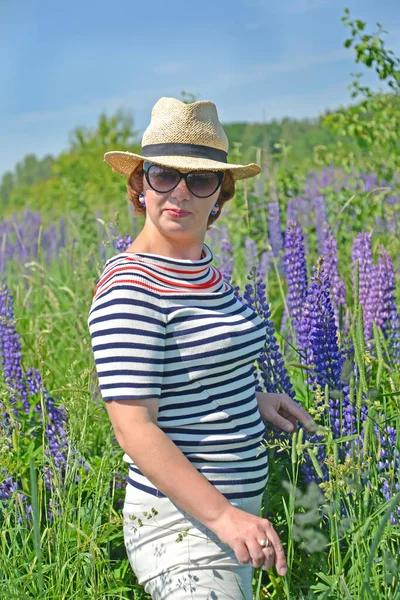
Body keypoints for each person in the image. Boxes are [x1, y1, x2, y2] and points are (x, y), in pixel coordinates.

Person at [87, 96, 316, 600]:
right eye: (163, 174)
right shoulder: (132, 286)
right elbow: (134, 428)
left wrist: (252, 399)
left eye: (200, 179)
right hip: (181, 529)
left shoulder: (203, 272)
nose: (180, 192)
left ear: (220, 195)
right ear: (139, 186)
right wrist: (223, 517)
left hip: (230, 522)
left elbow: (190, 371)